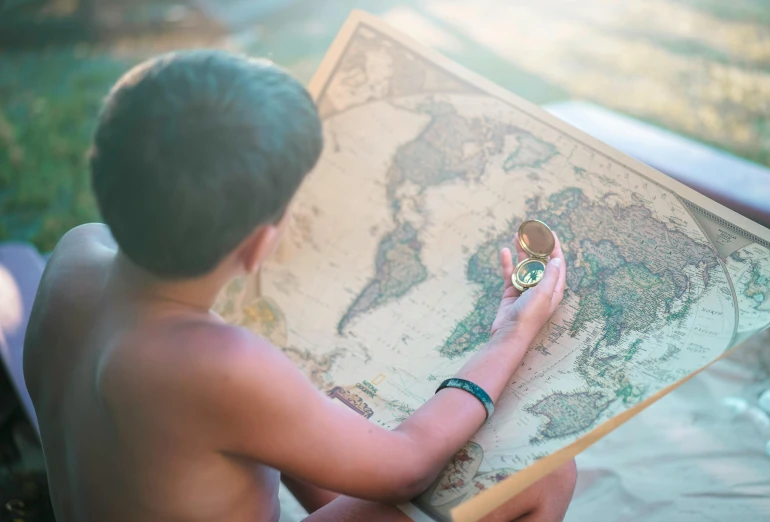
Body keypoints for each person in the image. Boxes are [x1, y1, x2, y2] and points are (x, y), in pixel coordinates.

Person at [23, 50, 576, 522]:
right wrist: (508, 334)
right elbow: (407, 465)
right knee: (543, 474)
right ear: (260, 244)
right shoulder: (216, 365)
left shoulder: (77, 254)